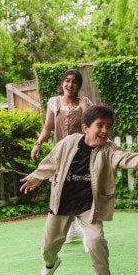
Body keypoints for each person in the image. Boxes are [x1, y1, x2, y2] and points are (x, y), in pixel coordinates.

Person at [20, 104, 138, 275]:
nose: (105, 130)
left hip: (89, 205)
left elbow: (128, 159)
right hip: (62, 201)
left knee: (96, 240)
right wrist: (35, 178)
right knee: (48, 248)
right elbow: (50, 162)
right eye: (100, 125)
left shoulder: (110, 149)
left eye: (109, 126)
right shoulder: (69, 142)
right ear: (85, 128)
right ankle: (51, 264)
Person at [31, 69, 93, 247]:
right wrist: (38, 144)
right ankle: (73, 229)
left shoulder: (84, 103)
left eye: (74, 82)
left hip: (81, 154)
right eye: (67, 81)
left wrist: (83, 107)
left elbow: (90, 125)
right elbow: (47, 127)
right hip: (60, 155)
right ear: (62, 83)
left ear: (79, 86)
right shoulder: (54, 103)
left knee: (80, 189)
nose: (70, 84)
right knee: (63, 189)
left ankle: (88, 232)